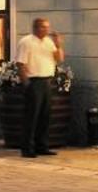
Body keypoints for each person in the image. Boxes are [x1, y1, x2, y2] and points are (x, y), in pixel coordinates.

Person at [15, 16, 64, 157]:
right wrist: (26, 84)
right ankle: (27, 148)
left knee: (45, 115)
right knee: (32, 116)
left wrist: (58, 45)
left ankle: (42, 145)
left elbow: (59, 59)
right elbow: (20, 63)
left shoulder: (49, 42)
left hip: (47, 80)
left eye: (47, 27)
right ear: (36, 28)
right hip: (34, 80)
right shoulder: (26, 42)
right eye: (43, 27)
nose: (46, 30)